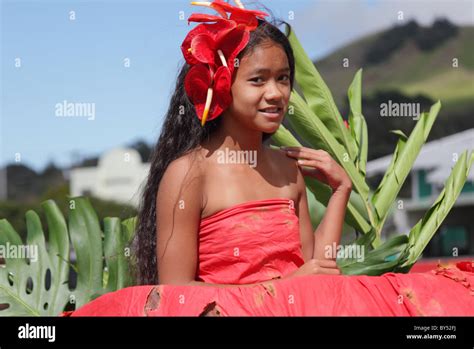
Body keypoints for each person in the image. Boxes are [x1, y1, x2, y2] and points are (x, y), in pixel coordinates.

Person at [70, 0, 474, 316]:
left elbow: (318, 272)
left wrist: (339, 191)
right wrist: (282, 290)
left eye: (283, 79)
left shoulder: (287, 168)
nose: (276, 93)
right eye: (258, 79)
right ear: (221, 86)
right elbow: (174, 295)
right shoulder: (188, 173)